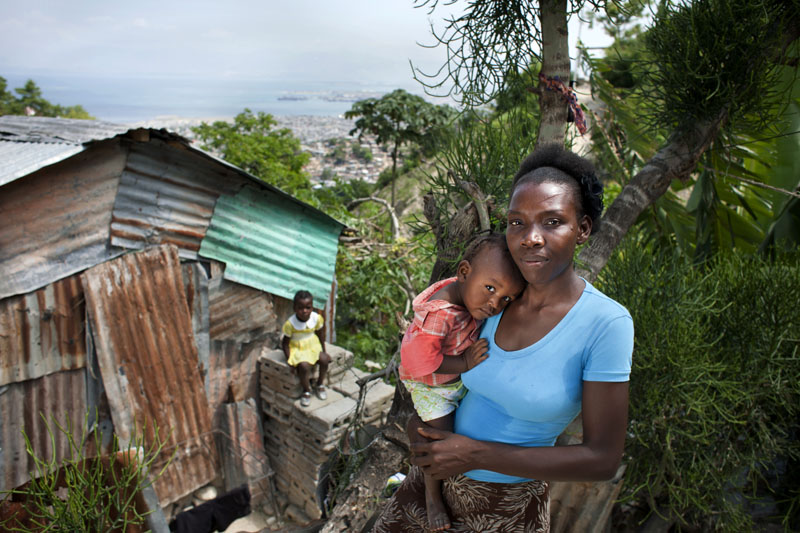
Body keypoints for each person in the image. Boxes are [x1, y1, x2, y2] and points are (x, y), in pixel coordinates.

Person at [372, 144, 634, 532]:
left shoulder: (605, 324)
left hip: (506, 508)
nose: (530, 237)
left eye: (551, 221)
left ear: (583, 229)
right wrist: (424, 421)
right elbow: (433, 350)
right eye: (517, 222)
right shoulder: (497, 299)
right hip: (431, 488)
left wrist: (476, 454)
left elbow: (602, 459)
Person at [399, 233, 526, 531]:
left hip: (449, 380)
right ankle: (432, 496)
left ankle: (416, 425)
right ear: (464, 272)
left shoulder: (467, 298)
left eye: (505, 298)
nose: (495, 303)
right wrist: (465, 363)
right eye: (490, 288)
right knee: (439, 438)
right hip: (431, 385)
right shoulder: (438, 317)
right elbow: (419, 364)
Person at [282, 290, 331, 407]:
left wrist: (324, 351)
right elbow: (285, 343)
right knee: (304, 366)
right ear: (294, 308)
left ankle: (320, 384)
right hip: (298, 347)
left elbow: (320, 335)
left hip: (312, 344)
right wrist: (290, 360)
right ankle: (306, 390)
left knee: (324, 360)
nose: (304, 311)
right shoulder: (291, 323)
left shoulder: (316, 318)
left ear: (312, 307)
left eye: (308, 308)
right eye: (300, 308)